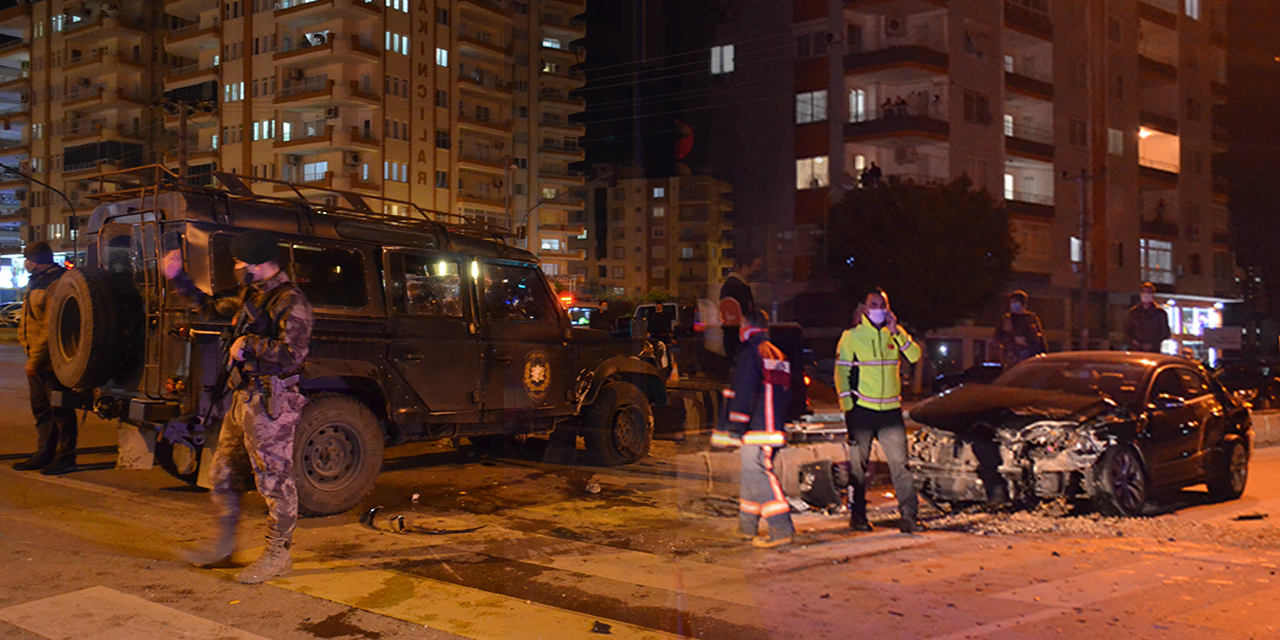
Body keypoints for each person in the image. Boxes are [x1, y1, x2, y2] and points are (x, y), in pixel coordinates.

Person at [164, 230, 314, 584]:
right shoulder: (255, 295)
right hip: (243, 398)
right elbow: (213, 308)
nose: (234, 267)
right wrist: (178, 278)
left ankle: (278, 555)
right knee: (223, 476)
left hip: (271, 402)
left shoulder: (291, 302)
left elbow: (293, 354)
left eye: (238, 261)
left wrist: (250, 343)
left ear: (257, 264)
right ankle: (224, 547)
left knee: (275, 483)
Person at [834, 288, 923, 534]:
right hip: (863, 411)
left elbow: (915, 356)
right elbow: (841, 373)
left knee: (901, 467)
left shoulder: (893, 334)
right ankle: (858, 517)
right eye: (874, 305)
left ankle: (909, 517)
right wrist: (848, 408)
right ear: (864, 308)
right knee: (857, 469)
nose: (879, 310)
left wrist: (897, 332)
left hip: (891, 413)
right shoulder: (851, 337)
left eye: (883, 305)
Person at [711, 309, 795, 548]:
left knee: (758, 475)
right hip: (771, 427)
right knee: (751, 475)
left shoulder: (750, 353)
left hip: (755, 428)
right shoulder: (778, 354)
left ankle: (781, 528)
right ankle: (746, 527)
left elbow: (743, 393)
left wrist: (734, 427)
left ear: (746, 326)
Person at [14, 241, 79, 476]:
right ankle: (44, 454)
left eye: (27, 259)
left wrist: (35, 359)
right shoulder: (36, 282)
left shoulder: (57, 282)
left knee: (61, 411)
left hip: (54, 362)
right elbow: (27, 320)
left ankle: (65, 458)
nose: (25, 263)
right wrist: (26, 346)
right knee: (42, 410)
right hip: (38, 359)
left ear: (35, 260)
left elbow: (50, 327)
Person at [719, 256, 760, 360]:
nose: (758, 270)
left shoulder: (734, 285)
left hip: (736, 336)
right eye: (756, 266)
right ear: (745, 267)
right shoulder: (737, 287)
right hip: (738, 338)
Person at [992, 290, 1045, 367]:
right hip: (1013, 358)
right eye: (1012, 302)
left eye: (1016, 301)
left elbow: (1039, 337)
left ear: (1023, 303)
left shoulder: (1031, 318)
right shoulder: (1007, 320)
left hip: (1031, 357)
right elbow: (997, 338)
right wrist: (1013, 338)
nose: (1013, 304)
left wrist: (1042, 352)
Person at [1125, 282, 1171, 353]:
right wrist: (1135, 342)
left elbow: (1165, 332)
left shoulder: (1160, 313)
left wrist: (1153, 343)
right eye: (1144, 292)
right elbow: (1127, 331)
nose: (1146, 294)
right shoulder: (1134, 312)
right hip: (1136, 351)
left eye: (1149, 292)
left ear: (1153, 294)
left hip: (1153, 351)